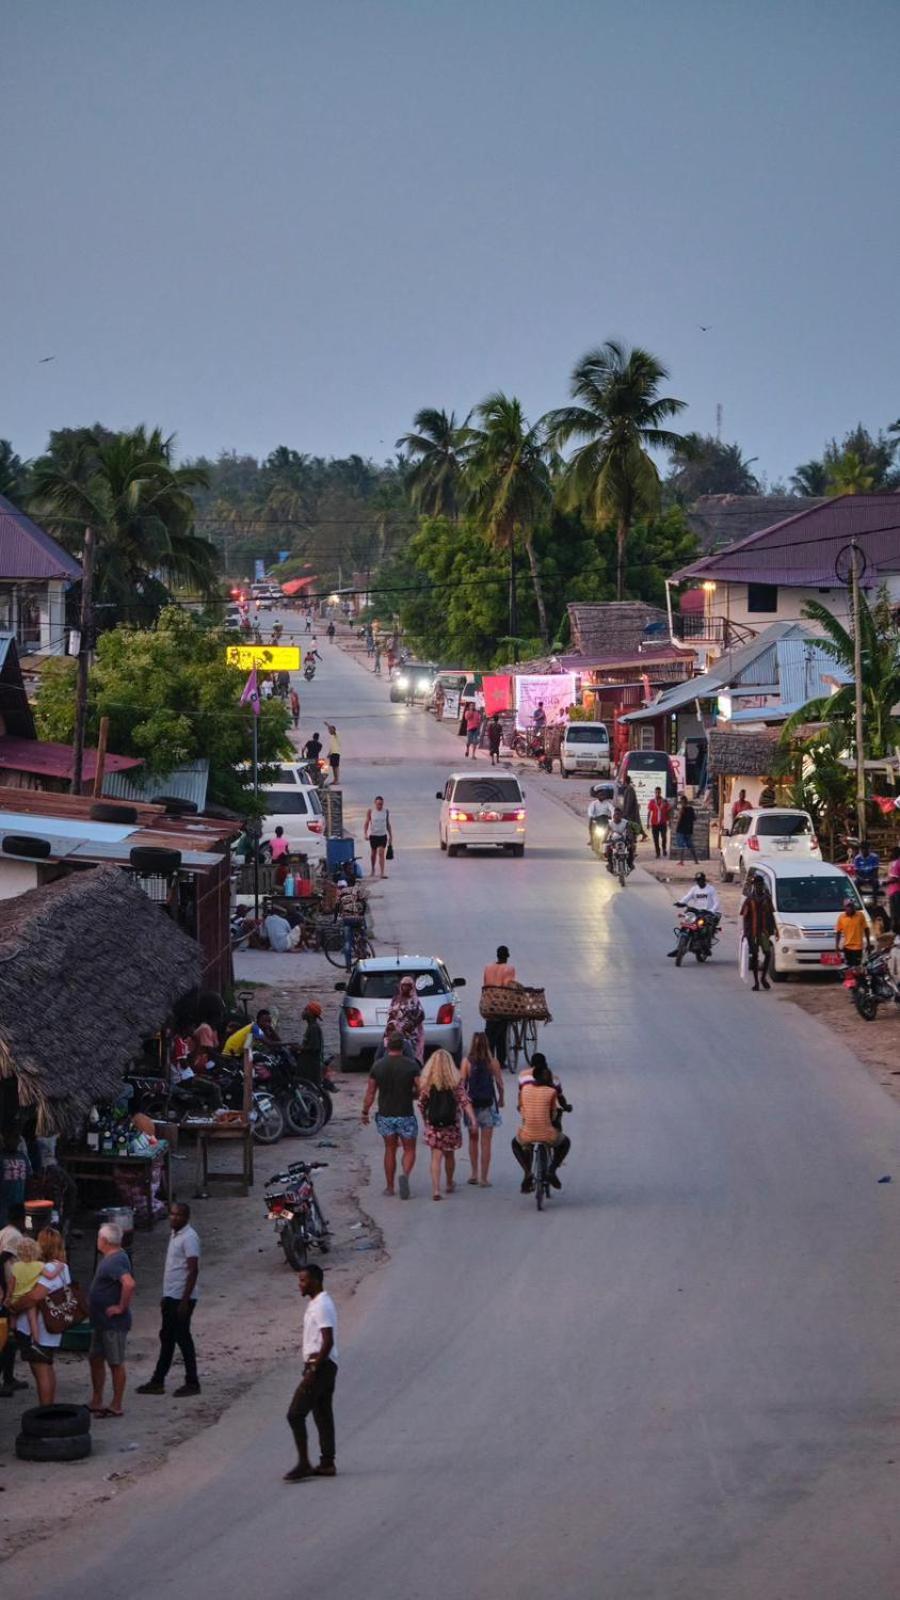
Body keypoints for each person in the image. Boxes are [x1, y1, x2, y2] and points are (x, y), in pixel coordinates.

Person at [137, 1203, 201, 1397]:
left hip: (182, 1298)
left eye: (178, 1215)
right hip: (172, 1295)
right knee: (167, 1337)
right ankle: (158, 1381)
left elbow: (193, 1270)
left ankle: (192, 1382)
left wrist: (184, 1300)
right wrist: (166, 1296)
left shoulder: (189, 1238)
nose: (174, 1218)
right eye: (172, 1214)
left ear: (186, 1217)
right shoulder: (175, 1236)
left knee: (182, 1338)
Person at [285, 1264, 338, 1481]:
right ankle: (327, 1463)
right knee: (322, 1414)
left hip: (321, 1365)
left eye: (303, 1280)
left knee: (295, 1414)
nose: (300, 1284)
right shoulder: (317, 1303)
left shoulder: (321, 1305)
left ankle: (304, 1463)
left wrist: (313, 1369)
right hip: (326, 1366)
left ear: (315, 1281)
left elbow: (328, 1339)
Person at [11, 1228, 71, 1406]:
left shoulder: (48, 1268)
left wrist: (14, 1307)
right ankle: (49, 1407)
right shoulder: (63, 1267)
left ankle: (45, 1413)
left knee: (41, 1370)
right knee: (47, 1367)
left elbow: (35, 1296)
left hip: (38, 1327)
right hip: (53, 1325)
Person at [361, 1033, 420, 1198]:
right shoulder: (411, 1065)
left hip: (386, 1115)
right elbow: (421, 1089)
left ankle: (389, 1187)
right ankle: (405, 1175)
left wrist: (365, 1111)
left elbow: (371, 1092)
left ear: (387, 1047)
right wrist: (414, 1096)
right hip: (406, 1114)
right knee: (409, 1149)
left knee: (390, 1149)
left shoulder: (378, 1066)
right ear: (403, 1047)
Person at [88, 1221, 136, 1418]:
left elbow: (129, 1284)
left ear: (104, 1240)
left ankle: (116, 1404)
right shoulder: (115, 1257)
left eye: (99, 1238)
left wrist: (121, 1307)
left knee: (115, 1362)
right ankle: (97, 1399)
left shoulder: (115, 1260)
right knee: (96, 1358)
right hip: (101, 1322)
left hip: (112, 1324)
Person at [418, 1049, 476, 1201]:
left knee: (436, 1156)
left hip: (434, 1124)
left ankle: (436, 1190)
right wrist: (473, 1119)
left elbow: (421, 1104)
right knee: (449, 1154)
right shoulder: (455, 1083)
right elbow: (464, 1101)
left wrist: (425, 1120)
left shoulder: (428, 1084)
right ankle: (449, 1183)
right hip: (451, 1124)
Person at [511, 1061, 571, 1193]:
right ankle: (552, 1170)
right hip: (547, 1134)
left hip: (527, 1133)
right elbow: (553, 1114)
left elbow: (521, 1109)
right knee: (565, 1142)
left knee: (515, 1143)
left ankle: (527, 1172)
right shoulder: (551, 1092)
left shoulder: (525, 1090)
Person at [461, 1032, 505, 1187]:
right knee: (486, 1142)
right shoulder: (492, 1062)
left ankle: (473, 1173)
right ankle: (484, 1178)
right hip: (487, 1104)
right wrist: (501, 1098)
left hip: (472, 1106)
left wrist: (462, 1106)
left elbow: (462, 1085)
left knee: (473, 1140)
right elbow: (499, 1083)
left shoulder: (466, 1062)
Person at [668, 872, 722, 955]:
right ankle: (679, 948)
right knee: (686, 924)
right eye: (698, 880)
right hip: (697, 911)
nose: (699, 882)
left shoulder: (711, 889)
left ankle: (706, 947)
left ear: (704, 880)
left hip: (708, 912)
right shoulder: (694, 889)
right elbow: (687, 897)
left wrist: (712, 910)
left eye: (701, 880)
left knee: (705, 928)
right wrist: (680, 902)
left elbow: (716, 902)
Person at [740, 875, 777, 991]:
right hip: (753, 932)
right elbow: (745, 918)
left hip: (764, 932)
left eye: (760, 884)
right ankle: (756, 982)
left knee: (768, 954)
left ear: (762, 885)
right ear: (754, 886)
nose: (758, 886)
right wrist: (745, 933)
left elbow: (772, 915)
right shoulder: (749, 900)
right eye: (756, 884)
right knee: (755, 957)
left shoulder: (767, 898)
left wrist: (775, 930)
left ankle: (763, 978)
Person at [482, 945, 517, 1070]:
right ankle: (501, 1061)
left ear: (497, 955)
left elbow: (485, 983)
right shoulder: (509, 969)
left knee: (490, 1032)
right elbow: (509, 985)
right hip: (502, 1004)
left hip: (489, 1003)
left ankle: (489, 1059)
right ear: (507, 956)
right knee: (501, 1034)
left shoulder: (488, 968)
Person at [384, 975, 426, 1062]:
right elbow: (391, 1015)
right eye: (404, 985)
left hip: (410, 1036)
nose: (405, 987)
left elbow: (421, 1015)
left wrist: (409, 1025)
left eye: (408, 985)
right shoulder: (396, 999)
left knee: (411, 1058)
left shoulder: (414, 1000)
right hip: (395, 1035)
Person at [0, 1127, 31, 1226]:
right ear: (5, 1140)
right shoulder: (1, 1157)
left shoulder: (23, 1157)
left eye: (17, 1139)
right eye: (12, 1138)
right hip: (4, 1204)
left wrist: (28, 1198)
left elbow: (28, 1178)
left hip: (20, 1201)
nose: (15, 1141)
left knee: (23, 1227)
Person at [836, 896, 871, 968]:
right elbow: (838, 932)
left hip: (858, 947)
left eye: (852, 906)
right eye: (848, 906)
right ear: (845, 907)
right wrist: (837, 947)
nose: (850, 908)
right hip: (847, 947)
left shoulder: (860, 915)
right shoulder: (841, 917)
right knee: (848, 968)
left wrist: (868, 943)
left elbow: (866, 929)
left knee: (857, 967)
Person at [364, 796, 392, 879]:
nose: (380, 806)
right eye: (378, 804)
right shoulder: (371, 811)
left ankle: (382, 872)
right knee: (373, 854)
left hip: (382, 835)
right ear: (375, 803)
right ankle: (373, 870)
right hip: (373, 835)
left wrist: (390, 835)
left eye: (381, 804)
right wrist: (365, 833)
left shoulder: (386, 811)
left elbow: (388, 824)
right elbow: (366, 823)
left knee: (381, 853)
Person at [605, 807, 636, 873]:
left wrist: (632, 840)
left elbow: (629, 832)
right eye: (615, 814)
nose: (617, 816)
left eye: (619, 814)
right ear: (613, 816)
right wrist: (604, 839)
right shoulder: (610, 823)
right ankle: (610, 864)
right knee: (607, 849)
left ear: (621, 815)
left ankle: (630, 863)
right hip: (613, 840)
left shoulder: (625, 823)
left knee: (631, 849)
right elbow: (606, 832)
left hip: (623, 840)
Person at [619, 774, 646, 840]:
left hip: (631, 813)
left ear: (625, 781)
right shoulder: (628, 789)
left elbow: (629, 802)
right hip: (631, 812)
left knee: (632, 825)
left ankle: (635, 838)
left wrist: (626, 813)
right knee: (636, 824)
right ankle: (643, 835)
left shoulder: (629, 789)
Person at [647, 787, 671, 859]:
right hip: (654, 823)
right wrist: (648, 822)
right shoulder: (652, 801)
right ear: (655, 793)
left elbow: (668, 811)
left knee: (664, 837)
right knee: (655, 839)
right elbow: (649, 812)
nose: (657, 794)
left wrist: (669, 821)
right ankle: (658, 852)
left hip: (663, 822)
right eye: (656, 792)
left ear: (660, 792)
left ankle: (664, 849)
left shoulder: (664, 801)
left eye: (659, 792)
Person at [674, 794, 698, 865]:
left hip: (681, 830)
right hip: (689, 830)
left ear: (682, 802)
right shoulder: (691, 809)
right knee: (690, 846)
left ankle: (681, 861)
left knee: (681, 846)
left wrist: (676, 827)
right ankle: (696, 860)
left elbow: (679, 819)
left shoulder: (682, 809)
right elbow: (695, 818)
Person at [886, 847, 900, 935]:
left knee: (897, 913)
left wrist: (890, 881)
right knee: (893, 914)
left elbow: (896, 878)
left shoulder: (899, 863)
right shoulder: (891, 863)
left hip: (897, 891)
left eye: (892, 852)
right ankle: (894, 931)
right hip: (892, 891)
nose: (890, 854)